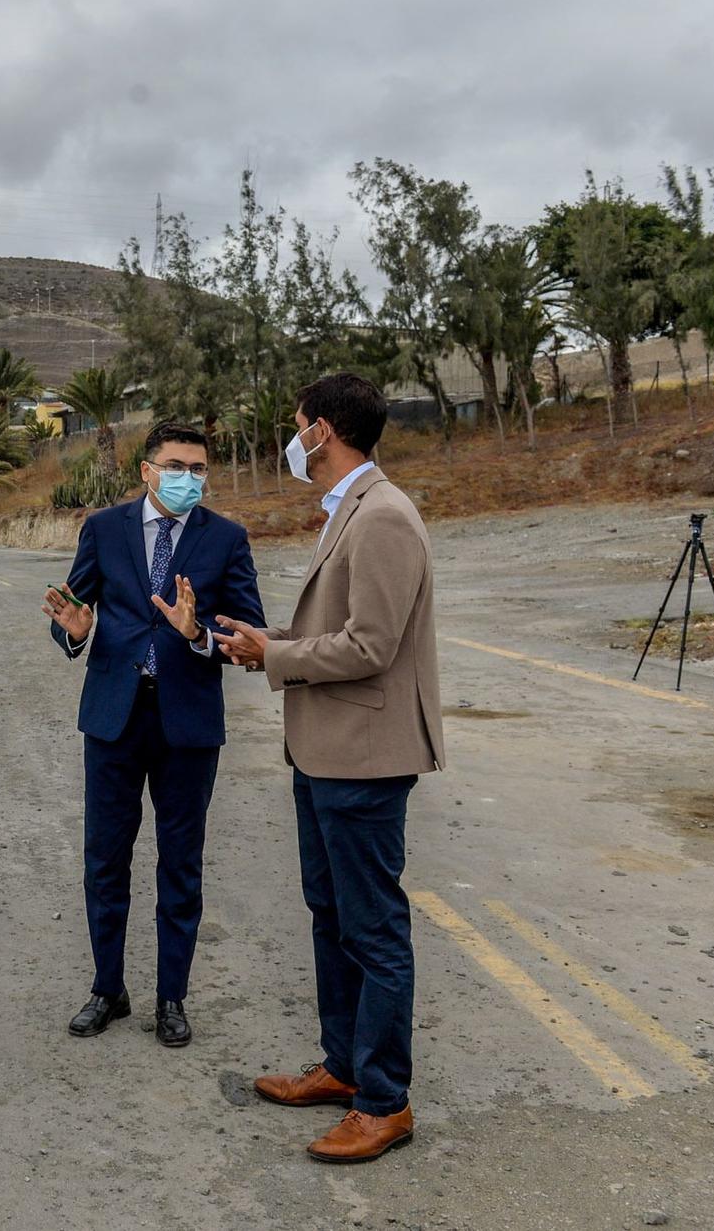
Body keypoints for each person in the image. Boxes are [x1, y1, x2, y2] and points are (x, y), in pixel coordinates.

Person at [214, 373, 444, 1165]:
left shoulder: (382, 516)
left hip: (364, 757)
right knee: (332, 914)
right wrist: (261, 639)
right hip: (325, 751)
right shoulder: (349, 507)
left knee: (373, 928)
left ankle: (384, 1101)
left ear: (323, 430)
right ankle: (345, 1067)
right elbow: (337, 630)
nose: (293, 437)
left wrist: (274, 653)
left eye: (297, 424)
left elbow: (370, 646)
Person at [42, 420, 264, 1047]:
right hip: (114, 718)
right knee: (105, 861)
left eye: (198, 469)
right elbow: (72, 611)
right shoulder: (105, 530)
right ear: (146, 470)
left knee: (181, 864)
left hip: (187, 724)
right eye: (175, 465)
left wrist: (197, 635)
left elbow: (249, 636)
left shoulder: (226, 539)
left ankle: (172, 996)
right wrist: (75, 633)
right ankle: (107, 988)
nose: (188, 478)